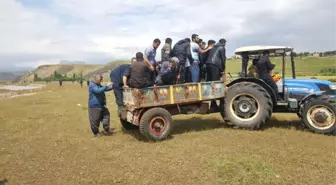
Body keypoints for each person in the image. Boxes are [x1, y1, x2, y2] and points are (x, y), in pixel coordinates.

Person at [206, 38, 227, 111]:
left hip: (208, 65)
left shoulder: (213, 47)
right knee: (216, 85)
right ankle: (214, 106)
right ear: (224, 43)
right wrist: (223, 68)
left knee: (210, 84)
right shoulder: (222, 47)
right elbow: (223, 58)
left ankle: (213, 104)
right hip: (215, 66)